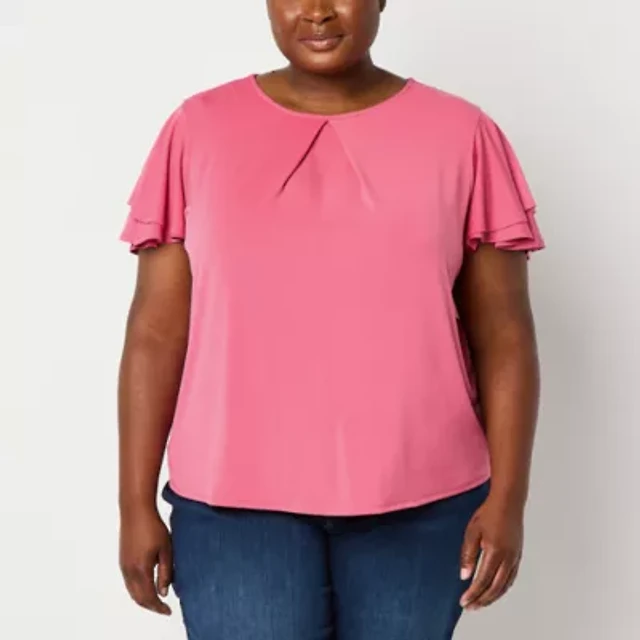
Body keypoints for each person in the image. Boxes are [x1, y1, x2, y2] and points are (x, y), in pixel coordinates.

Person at [117, 1, 544, 638]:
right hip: (232, 506)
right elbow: (155, 332)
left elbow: (504, 335)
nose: (317, 12)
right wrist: (134, 503)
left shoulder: (462, 134)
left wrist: (508, 499)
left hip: (422, 501)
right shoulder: (198, 129)